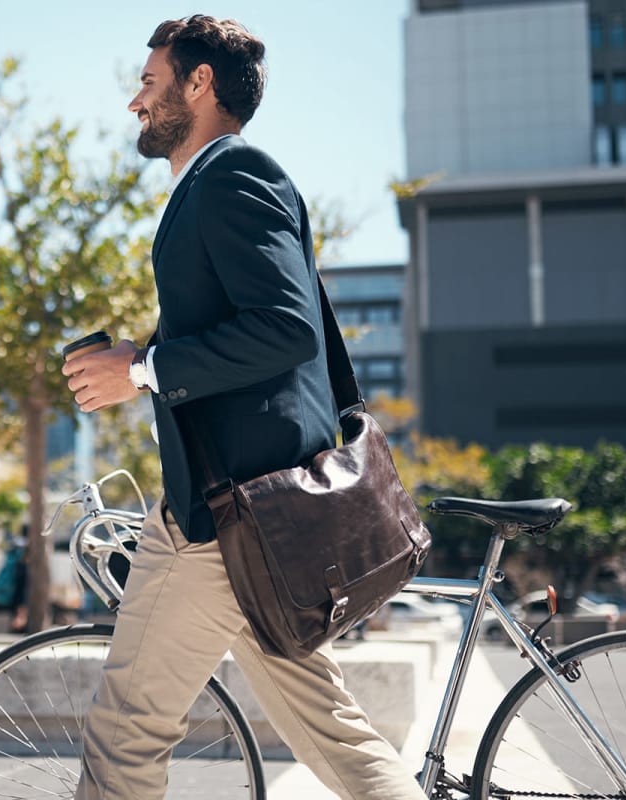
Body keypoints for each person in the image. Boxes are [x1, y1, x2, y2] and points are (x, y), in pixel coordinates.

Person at [61, 15, 426, 800]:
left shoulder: (232, 173)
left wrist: (149, 368)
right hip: (263, 518)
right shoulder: (216, 183)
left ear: (200, 84)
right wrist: (137, 360)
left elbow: (285, 329)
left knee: (126, 734)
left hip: (225, 517)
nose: (135, 103)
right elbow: (260, 327)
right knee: (337, 738)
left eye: (149, 82)